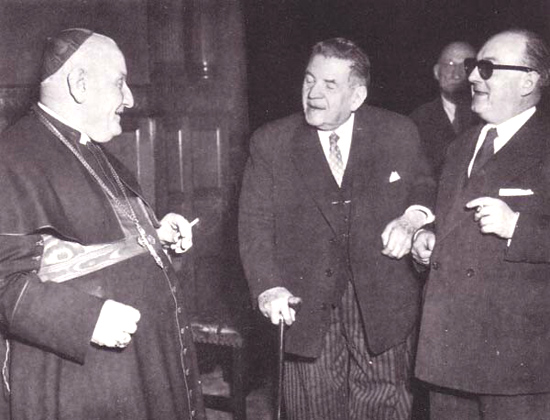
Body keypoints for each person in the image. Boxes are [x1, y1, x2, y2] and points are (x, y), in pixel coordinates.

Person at [0, 28, 205, 419]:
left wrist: (157, 233)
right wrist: (86, 318)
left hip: (140, 369)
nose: (130, 98)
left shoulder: (98, 151)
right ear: (79, 84)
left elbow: (97, 241)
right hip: (80, 382)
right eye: (120, 82)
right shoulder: (9, 157)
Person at [239, 37, 435, 420]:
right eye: (309, 80)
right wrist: (267, 286)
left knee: (385, 409)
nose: (313, 93)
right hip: (306, 309)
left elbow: (425, 186)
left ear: (357, 95)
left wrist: (411, 219)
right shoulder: (271, 143)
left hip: (383, 310)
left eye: (330, 85)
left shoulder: (397, 131)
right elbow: (254, 223)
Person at [412, 28, 550, 419]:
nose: (472, 77)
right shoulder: (460, 147)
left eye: (486, 68)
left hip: (518, 365)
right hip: (449, 353)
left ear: (528, 81)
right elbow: (455, 229)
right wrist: (428, 239)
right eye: (475, 67)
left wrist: (517, 228)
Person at [410, 41, 478, 178]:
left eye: (466, 66)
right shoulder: (417, 120)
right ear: (436, 72)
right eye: (450, 64)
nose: (457, 74)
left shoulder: (488, 117)